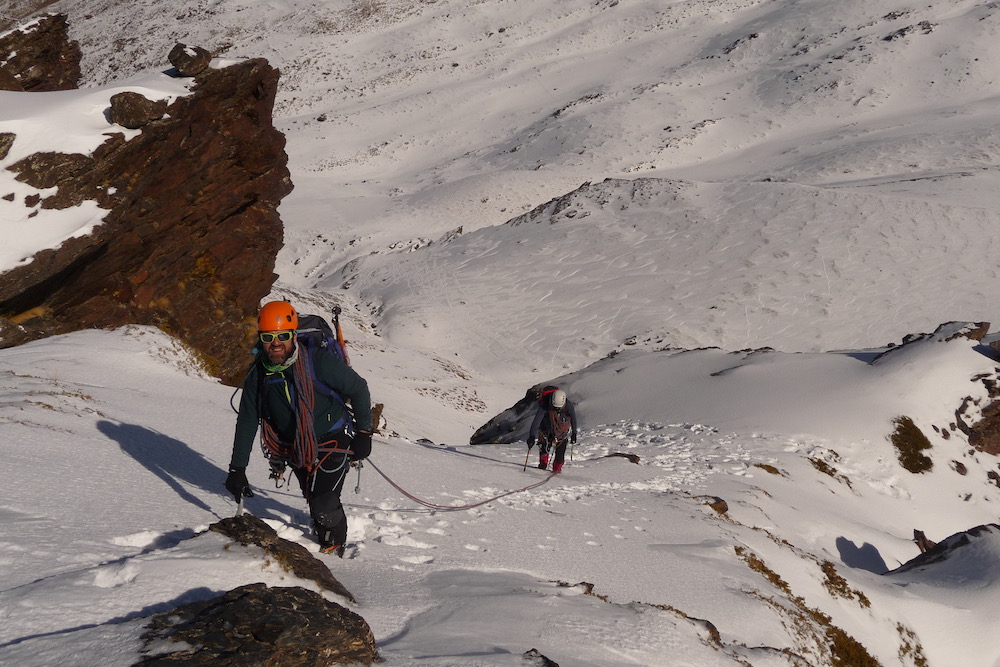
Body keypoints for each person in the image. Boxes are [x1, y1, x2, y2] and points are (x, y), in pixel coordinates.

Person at [225, 300, 373, 557]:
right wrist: (237, 469)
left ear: (294, 335)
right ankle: (323, 531)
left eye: (283, 336)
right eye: (269, 337)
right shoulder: (259, 374)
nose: (276, 343)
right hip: (293, 445)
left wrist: (364, 433)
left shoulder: (318, 361)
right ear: (261, 338)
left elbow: (358, 388)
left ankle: (334, 548)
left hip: (333, 438)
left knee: (323, 501)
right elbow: (248, 419)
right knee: (312, 494)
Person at [526, 388, 578, 473]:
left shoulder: (568, 405)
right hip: (546, 430)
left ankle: (556, 471)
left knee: (560, 457)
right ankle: (543, 467)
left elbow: (573, 419)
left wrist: (574, 433)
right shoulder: (545, 405)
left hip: (562, 433)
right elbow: (536, 421)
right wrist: (532, 436)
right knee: (544, 450)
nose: (556, 409)